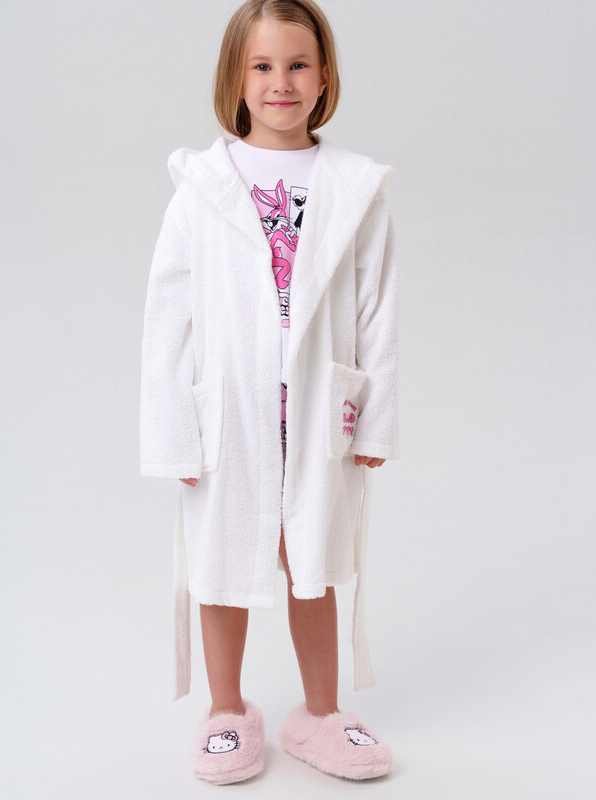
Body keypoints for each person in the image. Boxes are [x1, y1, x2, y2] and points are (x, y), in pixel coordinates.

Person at [140, 0, 399, 785]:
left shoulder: (354, 187)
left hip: (316, 411)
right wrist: (174, 432)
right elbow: (168, 315)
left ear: (323, 78)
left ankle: (320, 714)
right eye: (262, 65)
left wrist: (375, 422)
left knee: (308, 558)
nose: (280, 81)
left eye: (297, 65)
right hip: (229, 415)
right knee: (220, 559)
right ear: (236, 79)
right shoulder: (203, 187)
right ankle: (226, 711)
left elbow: (376, 311)